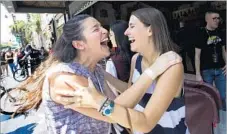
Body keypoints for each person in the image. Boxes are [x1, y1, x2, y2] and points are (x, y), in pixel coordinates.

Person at [15, 14, 181, 134]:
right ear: (79, 44)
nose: (105, 31)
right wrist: (152, 72)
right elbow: (114, 115)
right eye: (96, 29)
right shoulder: (63, 78)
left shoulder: (96, 70)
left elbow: (117, 105)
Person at [195, 10, 226, 110]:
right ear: (207, 19)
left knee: (222, 97)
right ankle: (211, 119)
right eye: (214, 18)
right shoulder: (200, 33)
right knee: (208, 97)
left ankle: (223, 120)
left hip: (221, 70)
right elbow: (197, 56)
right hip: (207, 70)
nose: (217, 20)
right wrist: (198, 74)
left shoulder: (221, 32)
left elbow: (224, 51)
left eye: (218, 18)